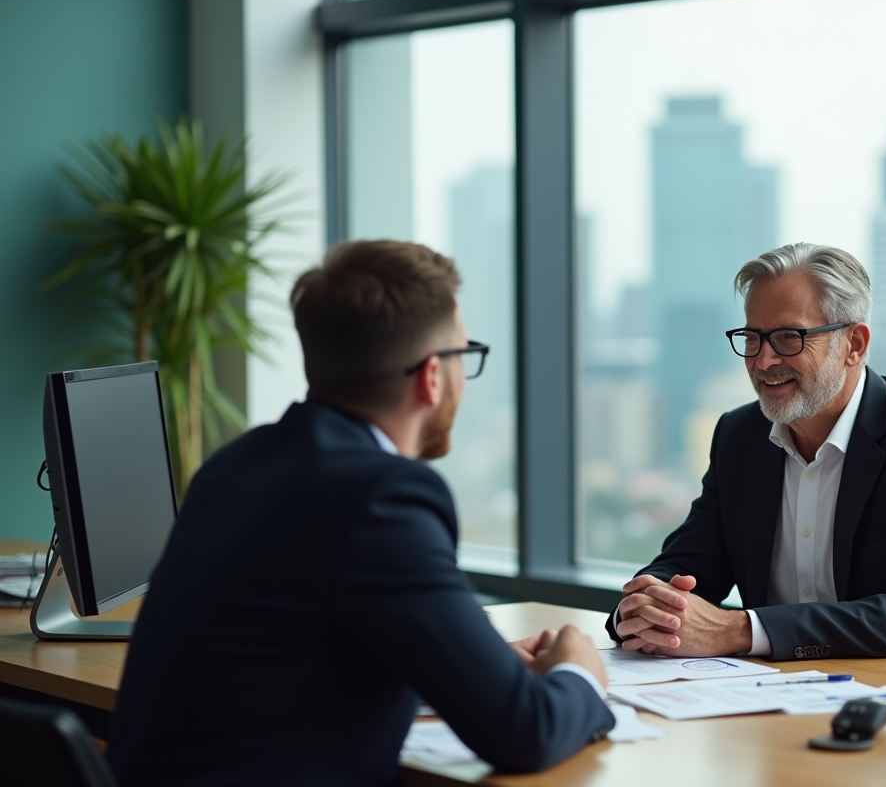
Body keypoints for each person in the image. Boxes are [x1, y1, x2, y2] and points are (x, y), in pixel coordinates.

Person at [108, 240, 614, 787]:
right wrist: (579, 673)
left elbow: (291, 655)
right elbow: (525, 731)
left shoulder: (236, 465)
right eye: (463, 355)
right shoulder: (382, 497)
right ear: (432, 376)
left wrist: (472, 665)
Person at [607, 242, 886, 672]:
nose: (764, 361)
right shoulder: (739, 436)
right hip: (781, 690)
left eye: (789, 337)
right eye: (752, 338)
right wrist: (642, 608)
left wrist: (741, 629)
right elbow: (691, 562)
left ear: (854, 344)